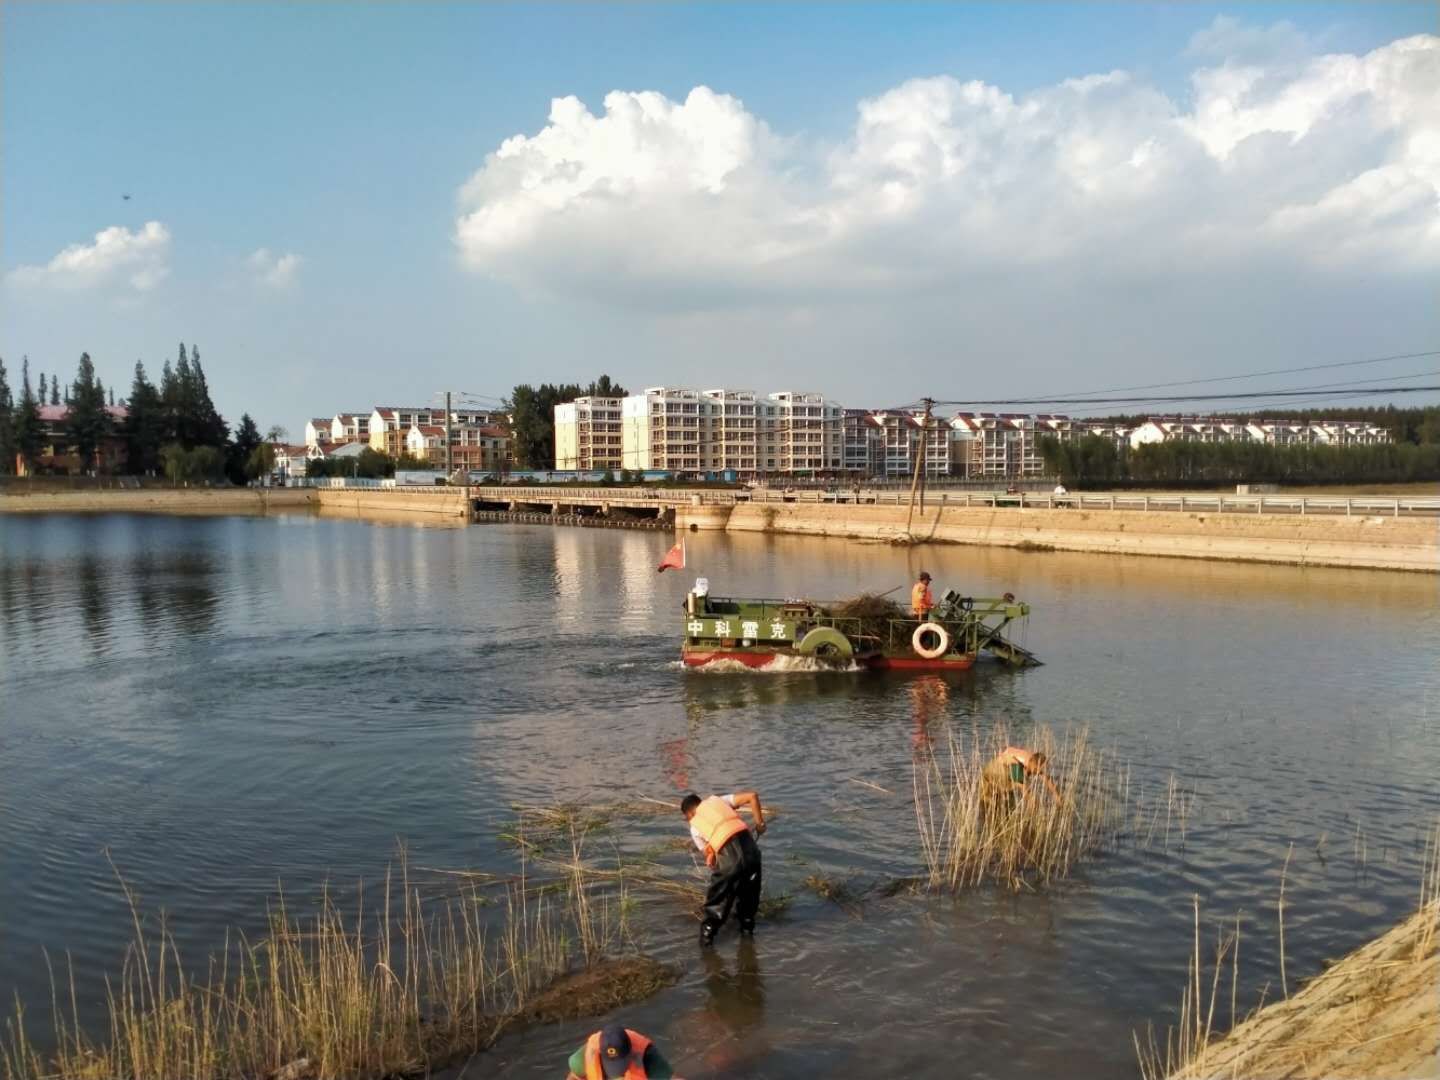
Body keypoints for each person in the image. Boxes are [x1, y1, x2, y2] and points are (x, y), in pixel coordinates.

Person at [681, 789, 766, 946]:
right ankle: (747, 939)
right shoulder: (719, 801)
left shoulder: (694, 827)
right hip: (752, 853)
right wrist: (759, 823)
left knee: (717, 901)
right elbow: (752, 795)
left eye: (687, 819)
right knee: (749, 900)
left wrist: (721, 876)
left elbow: (712, 859)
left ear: (689, 815)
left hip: (730, 860)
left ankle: (706, 941)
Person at [565, 1023, 675, 1079]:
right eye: (611, 1064)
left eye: (621, 1062)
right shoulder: (581, 1059)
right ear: (600, 1053)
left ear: (631, 1050)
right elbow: (574, 1077)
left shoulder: (646, 1054)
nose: (618, 1071)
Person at [981, 746, 1060, 818]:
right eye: (1036, 769)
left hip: (989, 768)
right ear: (1032, 763)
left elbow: (1046, 778)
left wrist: (1057, 795)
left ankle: (987, 812)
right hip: (996, 770)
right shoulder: (1018, 765)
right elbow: (1026, 792)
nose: (1037, 772)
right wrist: (1034, 808)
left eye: (1040, 769)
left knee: (987, 798)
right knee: (1010, 801)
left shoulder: (1033, 758)